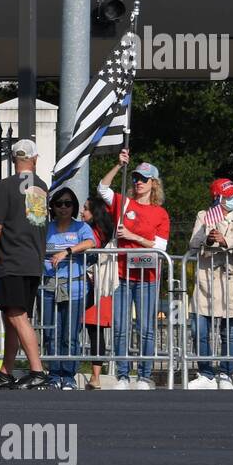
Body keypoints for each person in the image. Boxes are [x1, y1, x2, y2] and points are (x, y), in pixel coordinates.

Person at [0, 139, 51, 390]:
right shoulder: (41, 187)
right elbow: (37, 223)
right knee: (14, 317)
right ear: (35, 159)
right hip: (33, 259)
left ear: (12, 160)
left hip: (13, 259)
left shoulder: (6, 186)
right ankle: (6, 371)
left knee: (17, 316)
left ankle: (37, 370)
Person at [98, 149, 171, 390]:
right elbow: (102, 189)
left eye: (144, 179)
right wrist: (119, 166)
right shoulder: (124, 202)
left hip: (148, 276)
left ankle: (144, 375)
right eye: (136, 177)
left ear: (154, 184)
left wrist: (133, 236)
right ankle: (122, 375)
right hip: (121, 273)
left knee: (146, 328)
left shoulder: (161, 213)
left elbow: (160, 246)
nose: (138, 182)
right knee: (120, 327)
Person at [187, 178, 233, 389]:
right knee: (199, 329)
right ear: (218, 197)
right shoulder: (204, 216)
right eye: (229, 195)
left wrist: (226, 241)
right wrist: (208, 239)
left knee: (230, 331)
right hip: (207, 278)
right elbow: (193, 244)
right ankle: (206, 373)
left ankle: (226, 373)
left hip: (231, 279)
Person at [42, 187, 97, 390]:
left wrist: (67, 251)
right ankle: (54, 375)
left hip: (75, 287)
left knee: (70, 334)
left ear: (73, 206)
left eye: (68, 203)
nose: (63, 207)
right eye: (59, 204)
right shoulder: (46, 228)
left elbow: (91, 242)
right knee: (51, 334)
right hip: (48, 286)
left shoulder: (81, 227)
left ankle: (69, 375)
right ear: (53, 207)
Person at [81, 195, 117, 389]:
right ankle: (66, 372)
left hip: (97, 287)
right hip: (82, 284)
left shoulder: (103, 234)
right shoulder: (83, 229)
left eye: (85, 208)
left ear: (95, 213)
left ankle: (96, 377)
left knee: (95, 331)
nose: (81, 212)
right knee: (78, 330)